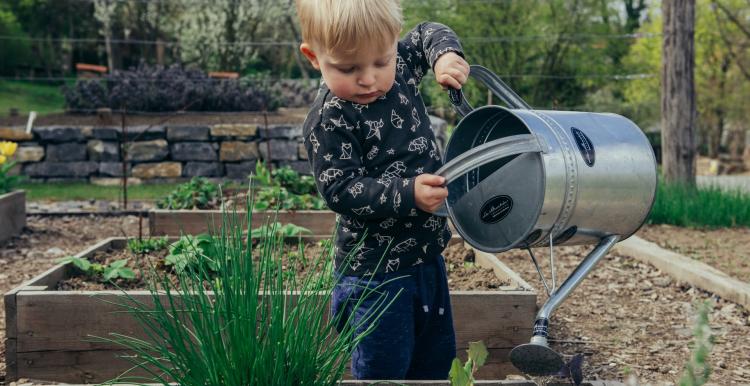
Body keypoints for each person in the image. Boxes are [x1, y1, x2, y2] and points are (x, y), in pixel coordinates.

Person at [296, 0, 470, 380]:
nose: (369, 79)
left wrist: (445, 57)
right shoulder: (331, 118)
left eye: (381, 62)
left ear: (393, 44)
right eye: (348, 68)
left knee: (435, 362)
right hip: (375, 274)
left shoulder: (402, 64)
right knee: (384, 368)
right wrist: (408, 194)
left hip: (427, 259)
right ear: (314, 57)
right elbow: (340, 188)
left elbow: (427, 33)